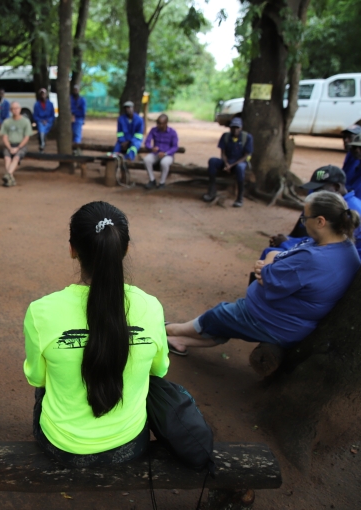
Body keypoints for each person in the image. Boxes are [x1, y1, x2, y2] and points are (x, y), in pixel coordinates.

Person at [24, 201, 169, 467]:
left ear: (72, 250)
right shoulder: (152, 306)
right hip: (129, 444)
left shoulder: (40, 312)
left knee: (45, 388)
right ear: (123, 250)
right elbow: (159, 370)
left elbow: (37, 378)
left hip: (62, 446)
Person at [166, 191, 361, 356]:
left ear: (320, 221)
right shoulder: (346, 247)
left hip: (275, 321)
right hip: (286, 318)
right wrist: (273, 261)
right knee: (225, 321)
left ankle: (168, 329)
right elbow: (282, 260)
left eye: (305, 218)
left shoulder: (313, 259)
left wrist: (268, 262)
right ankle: (180, 341)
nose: (303, 222)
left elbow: (267, 278)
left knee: (219, 315)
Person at [263, 166, 361, 259]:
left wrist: (288, 243)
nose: (315, 194)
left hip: (337, 262)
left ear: (336, 187)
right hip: (326, 255)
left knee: (271, 255)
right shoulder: (333, 204)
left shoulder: (347, 210)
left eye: (319, 190)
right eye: (314, 190)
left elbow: (328, 246)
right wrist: (289, 240)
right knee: (271, 252)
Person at [203, 117, 253, 207]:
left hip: (238, 163)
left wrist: (232, 165)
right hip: (227, 162)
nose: (235, 130)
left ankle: (239, 197)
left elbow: (246, 156)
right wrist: (226, 163)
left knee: (240, 168)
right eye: (233, 127)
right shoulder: (225, 136)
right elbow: (223, 153)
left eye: (237, 128)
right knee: (212, 161)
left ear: (241, 128)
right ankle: (211, 191)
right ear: (230, 128)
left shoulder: (247, 137)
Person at [0, 102, 32, 187]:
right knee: (7, 158)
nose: (15, 110)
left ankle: (8, 175)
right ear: (10, 110)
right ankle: (10, 178)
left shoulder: (26, 121)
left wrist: (18, 147)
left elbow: (26, 137)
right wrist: (9, 147)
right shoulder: (7, 122)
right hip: (9, 145)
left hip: (21, 145)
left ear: (20, 109)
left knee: (16, 157)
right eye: (13, 108)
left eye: (17, 108)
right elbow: (4, 137)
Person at [143, 114, 179, 189]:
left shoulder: (172, 132)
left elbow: (175, 147)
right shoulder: (153, 130)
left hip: (167, 155)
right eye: (158, 123)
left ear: (166, 123)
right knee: (146, 160)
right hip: (156, 153)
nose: (159, 125)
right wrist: (151, 148)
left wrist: (166, 153)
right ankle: (152, 180)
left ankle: (162, 182)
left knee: (164, 163)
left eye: (161, 124)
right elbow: (147, 142)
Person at [33, 88, 55, 153]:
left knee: (44, 131)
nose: (43, 95)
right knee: (41, 129)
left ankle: (42, 143)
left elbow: (52, 115)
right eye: (41, 94)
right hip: (40, 121)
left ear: (46, 95)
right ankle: (42, 145)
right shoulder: (36, 104)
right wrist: (41, 120)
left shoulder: (50, 104)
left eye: (44, 94)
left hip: (49, 121)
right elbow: (35, 115)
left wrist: (48, 120)